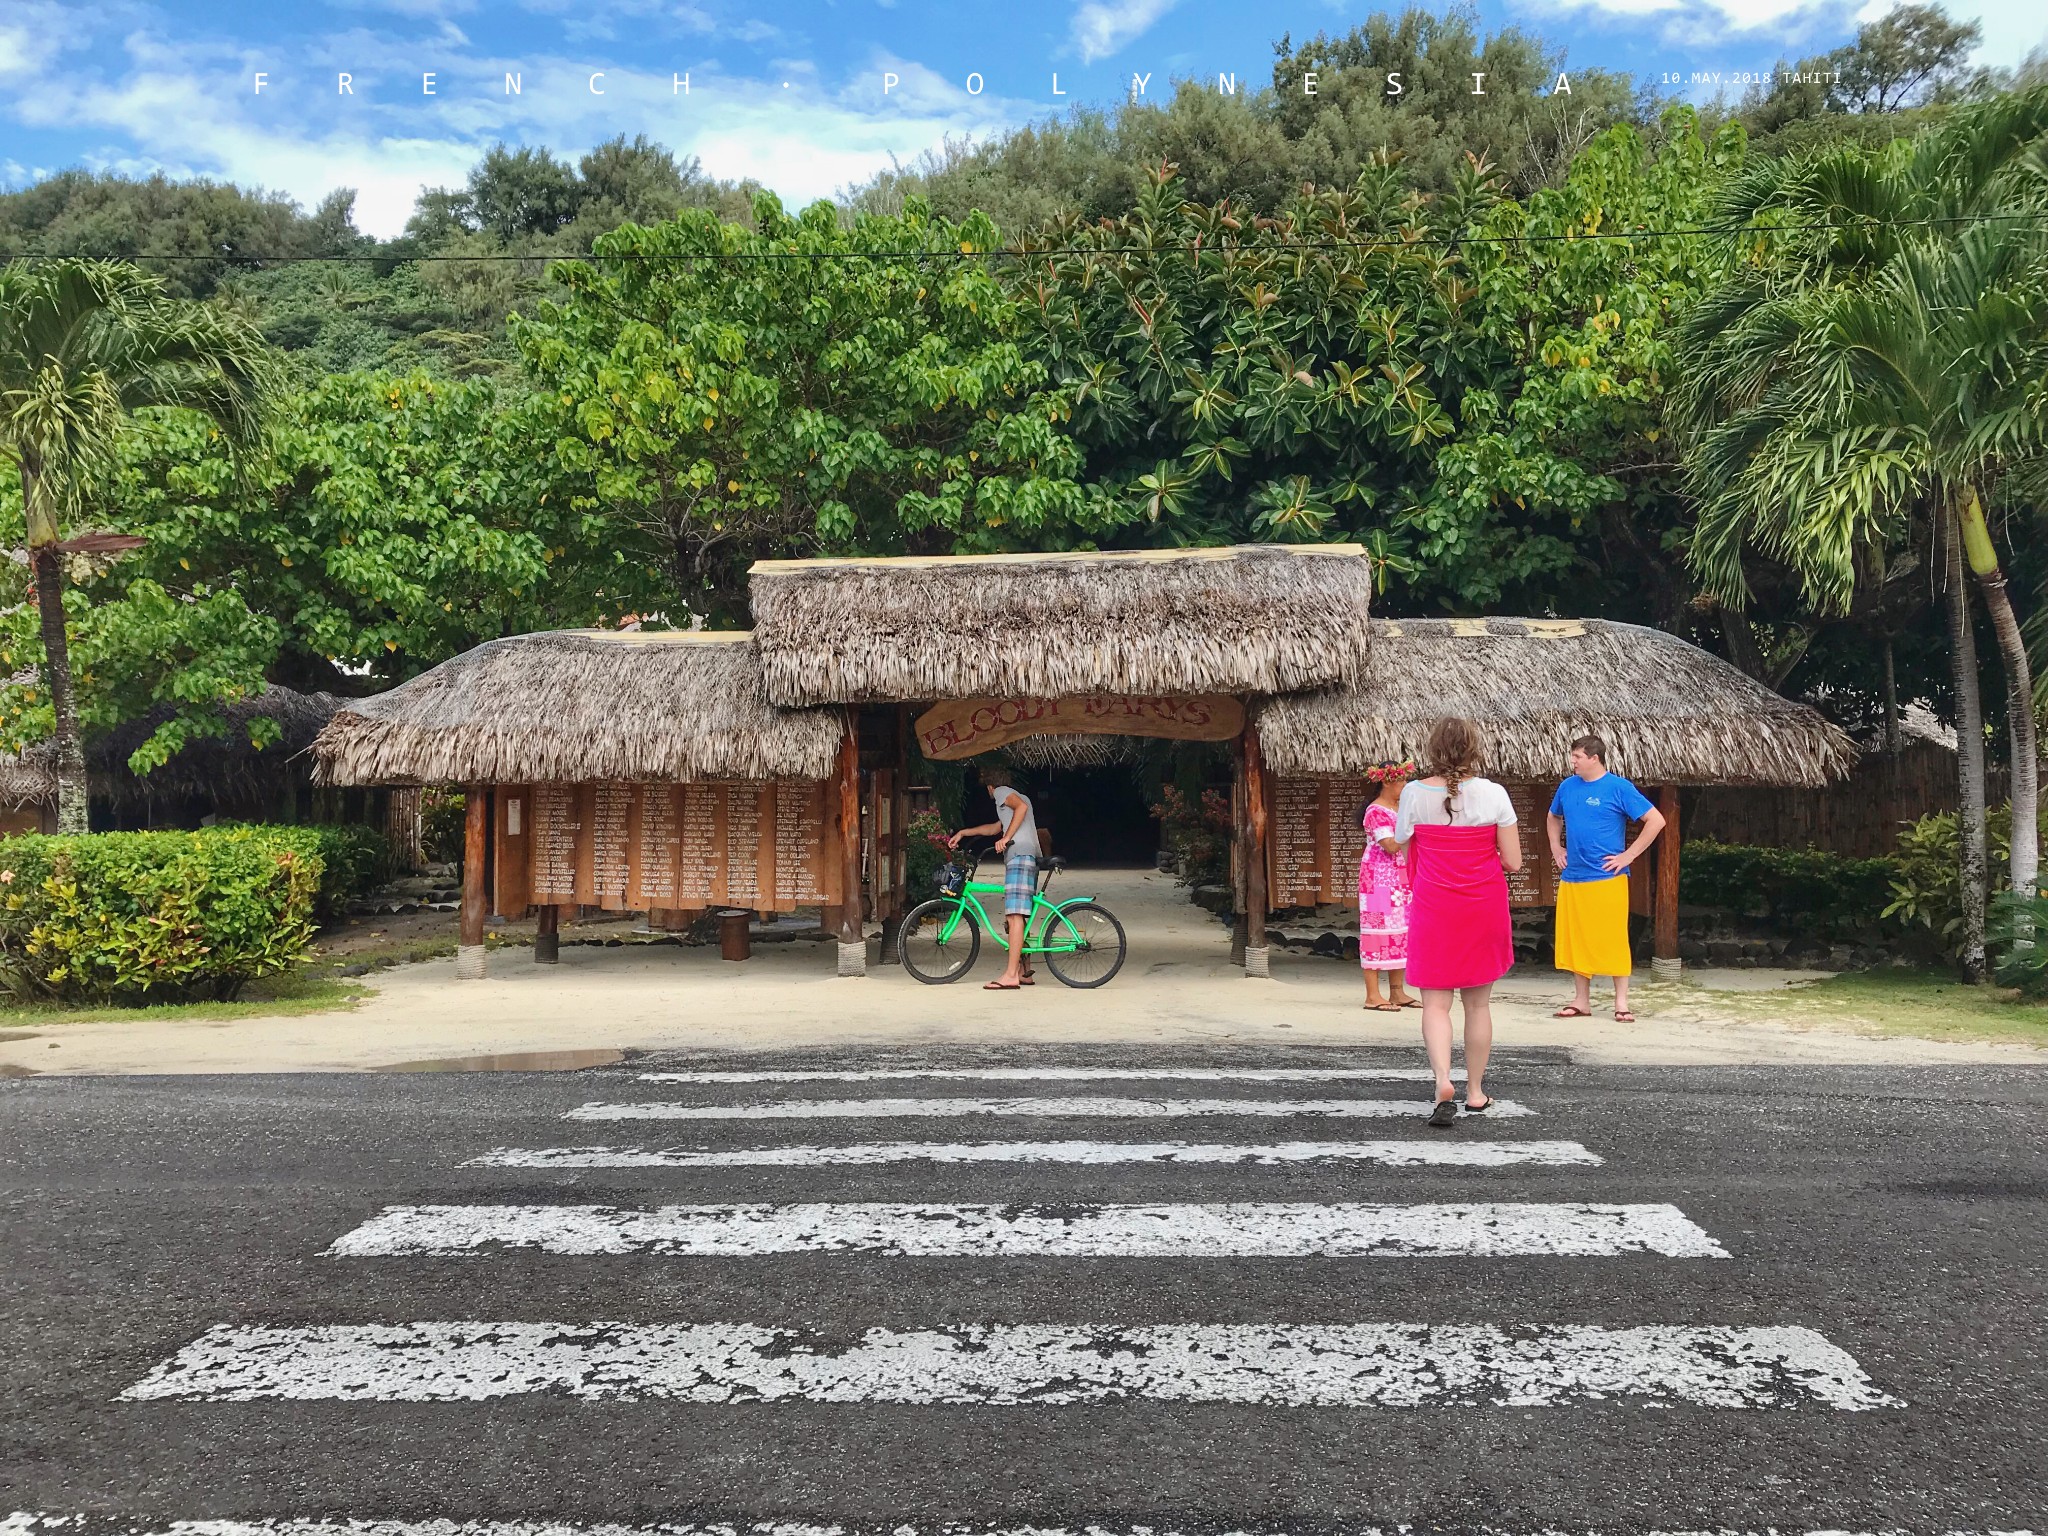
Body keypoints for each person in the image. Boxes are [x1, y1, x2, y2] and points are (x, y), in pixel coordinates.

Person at [1395, 717, 1521, 1127]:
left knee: (1435, 1004)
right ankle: (1476, 1091)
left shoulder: (1413, 793)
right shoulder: (1494, 794)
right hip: (1482, 905)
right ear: (1473, 749)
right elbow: (1515, 862)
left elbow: (1402, 844)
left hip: (1434, 906)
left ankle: (1442, 1082)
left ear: (1432, 750)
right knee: (1478, 1004)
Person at [1546, 734, 1666, 1023]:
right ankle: (1581, 1000)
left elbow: (1656, 821)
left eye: (1577, 756)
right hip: (1574, 876)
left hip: (1608, 877)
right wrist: (1555, 846)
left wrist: (1629, 855)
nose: (1572, 761)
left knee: (1613, 938)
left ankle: (1621, 1002)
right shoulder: (1566, 786)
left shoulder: (1618, 787)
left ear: (1594, 758)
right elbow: (1553, 817)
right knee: (1577, 938)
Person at [949, 765, 1042, 992]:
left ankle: (1010, 975)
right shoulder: (1018, 797)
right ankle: (1023, 971)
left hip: (1019, 856)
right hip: (1028, 855)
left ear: (990, 786)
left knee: (1014, 915)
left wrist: (1006, 839)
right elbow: (995, 828)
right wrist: (964, 832)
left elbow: (1018, 811)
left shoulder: (1002, 793)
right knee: (1020, 917)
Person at [1358, 759, 1417, 1012]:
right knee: (1375, 933)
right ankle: (1373, 995)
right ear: (1386, 781)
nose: (1404, 785)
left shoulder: (1400, 808)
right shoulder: (1376, 810)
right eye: (1401, 781)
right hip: (1378, 881)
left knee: (1401, 931)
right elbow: (1391, 845)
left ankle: (1397, 991)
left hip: (1400, 879)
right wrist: (1413, 827)